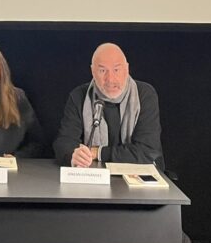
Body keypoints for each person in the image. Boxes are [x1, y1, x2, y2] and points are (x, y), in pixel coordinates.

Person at [53, 42, 163, 171]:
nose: (110, 79)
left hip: (138, 176)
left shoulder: (144, 94)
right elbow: (63, 143)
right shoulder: (79, 96)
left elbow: (147, 152)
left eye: (116, 70)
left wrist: (98, 152)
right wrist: (74, 156)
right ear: (93, 72)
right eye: (102, 71)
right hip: (94, 176)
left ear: (127, 69)